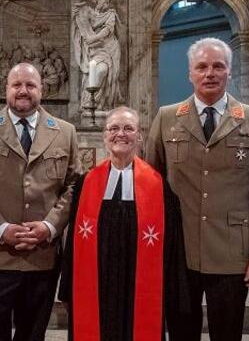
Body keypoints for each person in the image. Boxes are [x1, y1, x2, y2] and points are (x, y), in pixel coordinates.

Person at [147, 37, 249, 341]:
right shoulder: (167, 118)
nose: (210, 73)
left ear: (230, 72)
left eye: (218, 66)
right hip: (180, 247)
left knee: (228, 332)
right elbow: (151, 185)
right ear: (190, 73)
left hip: (232, 249)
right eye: (201, 67)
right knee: (181, 331)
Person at [0, 62, 79, 341]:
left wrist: (49, 227)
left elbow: (73, 186)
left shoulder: (65, 132)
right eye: (17, 85)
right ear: (7, 89)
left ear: (42, 89)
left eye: (30, 85)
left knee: (32, 335)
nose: (23, 91)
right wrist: (1, 229)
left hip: (42, 257)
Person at [59, 106, 188, 340]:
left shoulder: (159, 187)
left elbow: (172, 246)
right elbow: (73, 245)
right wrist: (67, 286)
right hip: (97, 287)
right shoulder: (86, 183)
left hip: (141, 288)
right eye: (114, 128)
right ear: (105, 136)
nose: (121, 134)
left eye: (129, 128)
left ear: (139, 136)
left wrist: (173, 291)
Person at [72, 0, 121, 109]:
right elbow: (80, 25)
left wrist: (94, 38)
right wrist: (76, 14)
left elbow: (107, 30)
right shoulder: (88, 12)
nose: (107, 1)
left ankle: (95, 101)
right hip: (91, 50)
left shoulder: (110, 14)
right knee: (93, 72)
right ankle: (90, 104)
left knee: (102, 70)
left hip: (108, 49)